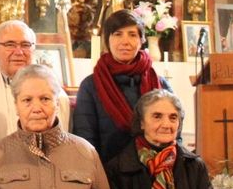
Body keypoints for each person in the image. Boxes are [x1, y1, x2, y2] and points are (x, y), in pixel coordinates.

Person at [74, 9, 175, 162]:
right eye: (118, 34)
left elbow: (175, 131)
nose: (125, 41)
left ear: (141, 40)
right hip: (109, 173)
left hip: (156, 169)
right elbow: (85, 139)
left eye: (132, 34)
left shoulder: (160, 84)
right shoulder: (91, 86)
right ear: (107, 40)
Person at [0, 20, 71, 140]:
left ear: (33, 48)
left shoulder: (56, 95)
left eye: (25, 45)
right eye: (10, 45)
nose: (19, 52)